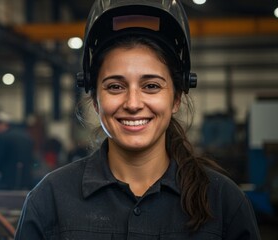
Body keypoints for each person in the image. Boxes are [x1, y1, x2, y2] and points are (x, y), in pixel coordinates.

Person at [14, 0, 261, 239]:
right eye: (115, 86)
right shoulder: (50, 199)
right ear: (95, 100)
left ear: (176, 98)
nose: (132, 104)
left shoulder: (224, 202)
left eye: (151, 85)